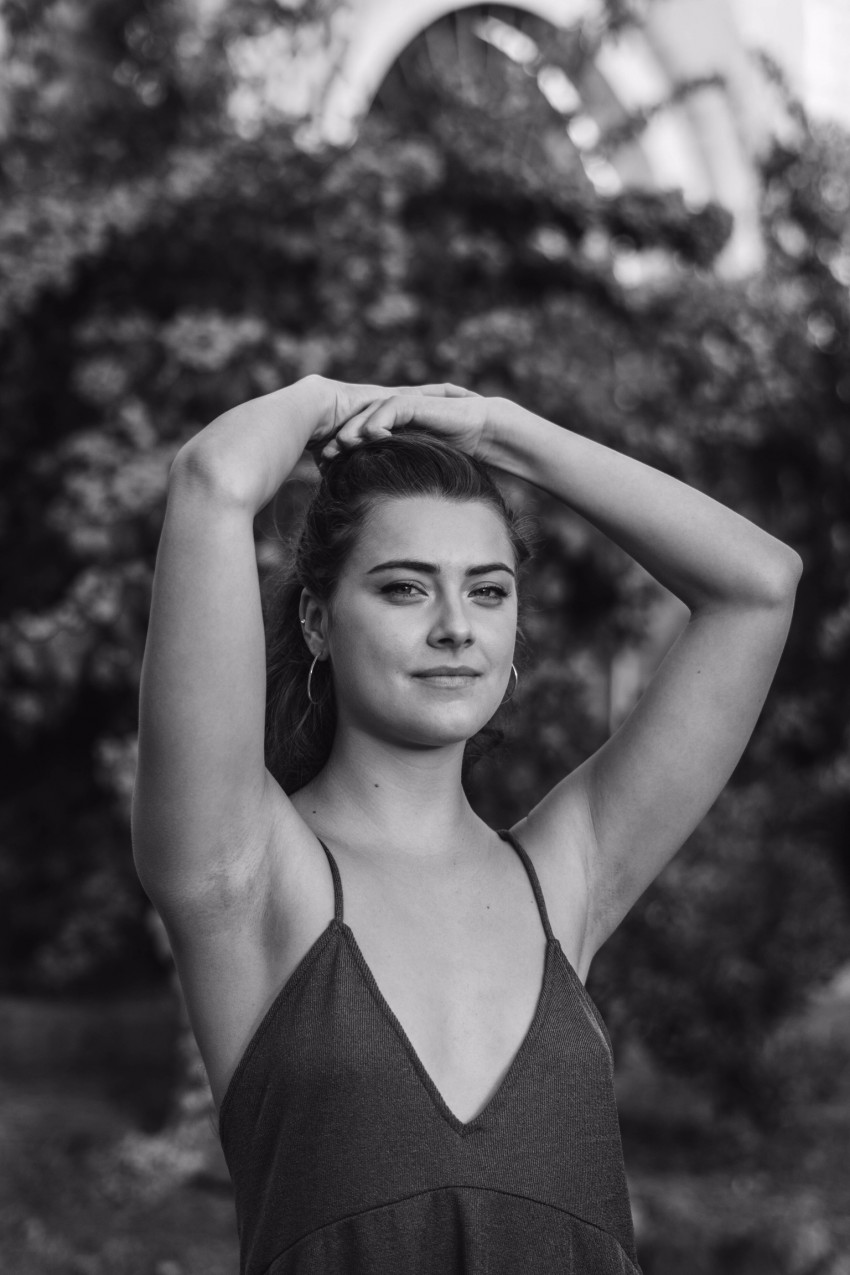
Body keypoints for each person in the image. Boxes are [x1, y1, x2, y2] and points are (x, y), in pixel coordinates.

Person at [131, 374, 801, 1274]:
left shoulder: (565, 874)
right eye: (406, 588)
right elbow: (213, 476)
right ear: (318, 620)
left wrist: (501, 430)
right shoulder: (244, 874)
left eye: (488, 591)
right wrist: (333, 401)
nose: (456, 627)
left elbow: (760, 585)